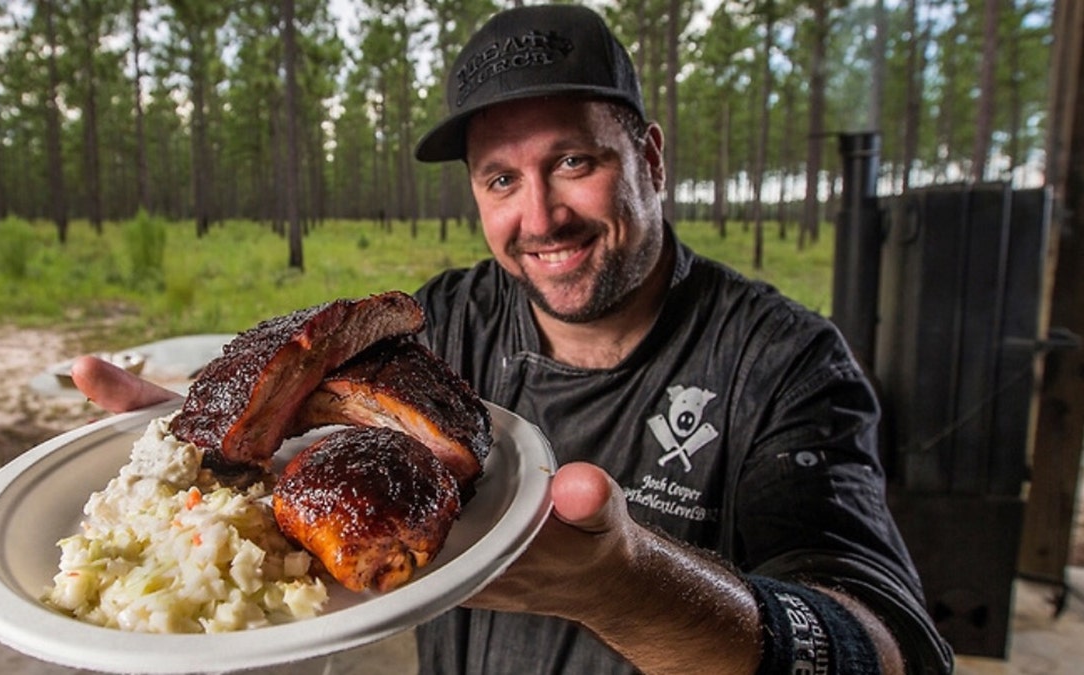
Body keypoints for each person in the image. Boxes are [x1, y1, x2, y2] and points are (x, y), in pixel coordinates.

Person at [75, 5, 953, 674]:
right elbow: (290, 454)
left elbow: (893, 648)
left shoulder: (784, 359)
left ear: (650, 157)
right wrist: (206, 470)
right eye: (502, 177)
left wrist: (628, 585)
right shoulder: (443, 324)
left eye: (575, 161)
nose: (540, 217)